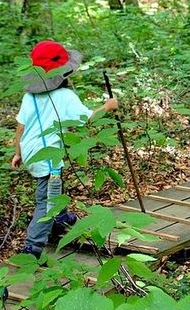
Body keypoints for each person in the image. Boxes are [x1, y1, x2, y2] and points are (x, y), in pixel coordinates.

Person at [9, 40, 118, 258]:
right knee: (47, 200)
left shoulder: (29, 96)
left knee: (54, 187)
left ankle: (61, 218)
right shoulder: (65, 97)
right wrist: (107, 107)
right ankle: (32, 247)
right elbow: (86, 120)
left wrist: (18, 153)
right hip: (47, 157)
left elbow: (20, 127)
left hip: (30, 153)